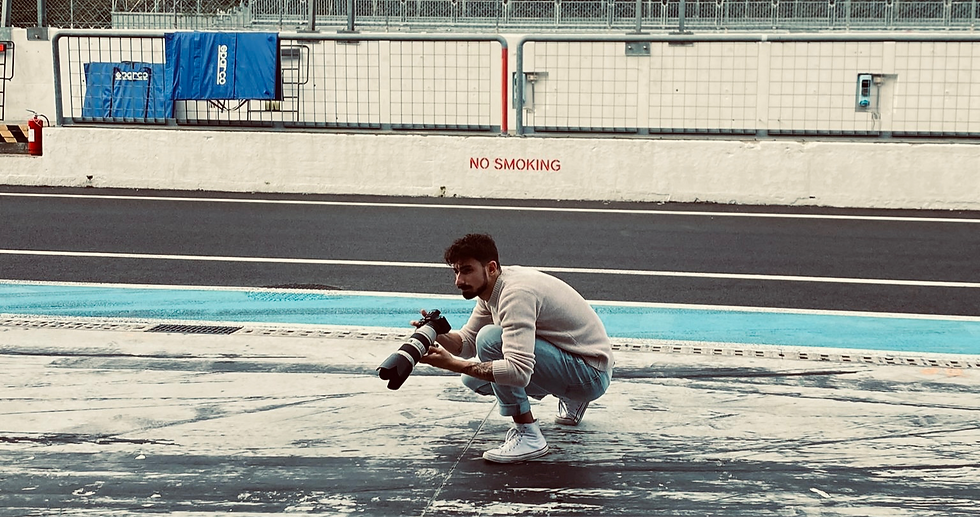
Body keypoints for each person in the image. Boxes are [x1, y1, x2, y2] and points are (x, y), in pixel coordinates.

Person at [419, 233, 614, 463]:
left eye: (467, 270)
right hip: (576, 357)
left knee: (491, 340)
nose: (459, 281)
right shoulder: (491, 288)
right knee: (473, 379)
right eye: (457, 271)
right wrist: (437, 332)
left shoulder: (515, 294)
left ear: (491, 268)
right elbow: (467, 345)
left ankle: (528, 434)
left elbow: (518, 372)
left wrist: (453, 364)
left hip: (590, 373)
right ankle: (570, 395)